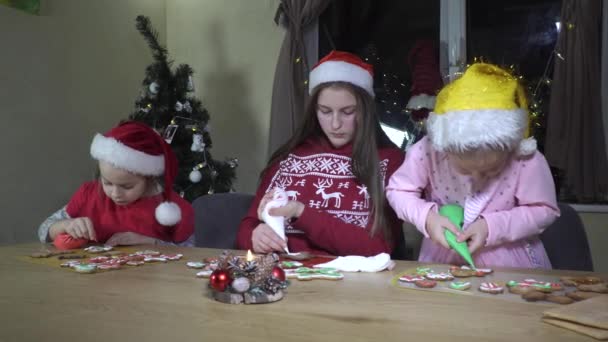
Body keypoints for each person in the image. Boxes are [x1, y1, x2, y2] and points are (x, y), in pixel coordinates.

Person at [386, 63, 560, 268]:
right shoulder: (429, 151)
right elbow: (398, 191)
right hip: (442, 260)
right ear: (446, 149)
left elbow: (544, 210)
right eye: (465, 170)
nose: (476, 178)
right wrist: (427, 218)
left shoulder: (525, 158)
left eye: (492, 171)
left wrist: (492, 227)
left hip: (510, 263)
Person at [236, 51, 405, 257]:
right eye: (325, 111)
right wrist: (254, 235)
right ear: (313, 111)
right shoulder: (288, 158)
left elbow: (378, 247)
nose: (335, 124)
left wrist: (301, 212)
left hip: (352, 284)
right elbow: (247, 226)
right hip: (284, 277)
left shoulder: (390, 161)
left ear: (365, 110)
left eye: (348, 111)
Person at [38, 121, 194, 247]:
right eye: (107, 183)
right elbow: (43, 230)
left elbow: (193, 251)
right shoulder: (89, 194)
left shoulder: (172, 208)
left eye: (127, 186)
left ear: (149, 178)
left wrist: (153, 242)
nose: (115, 193)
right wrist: (65, 225)